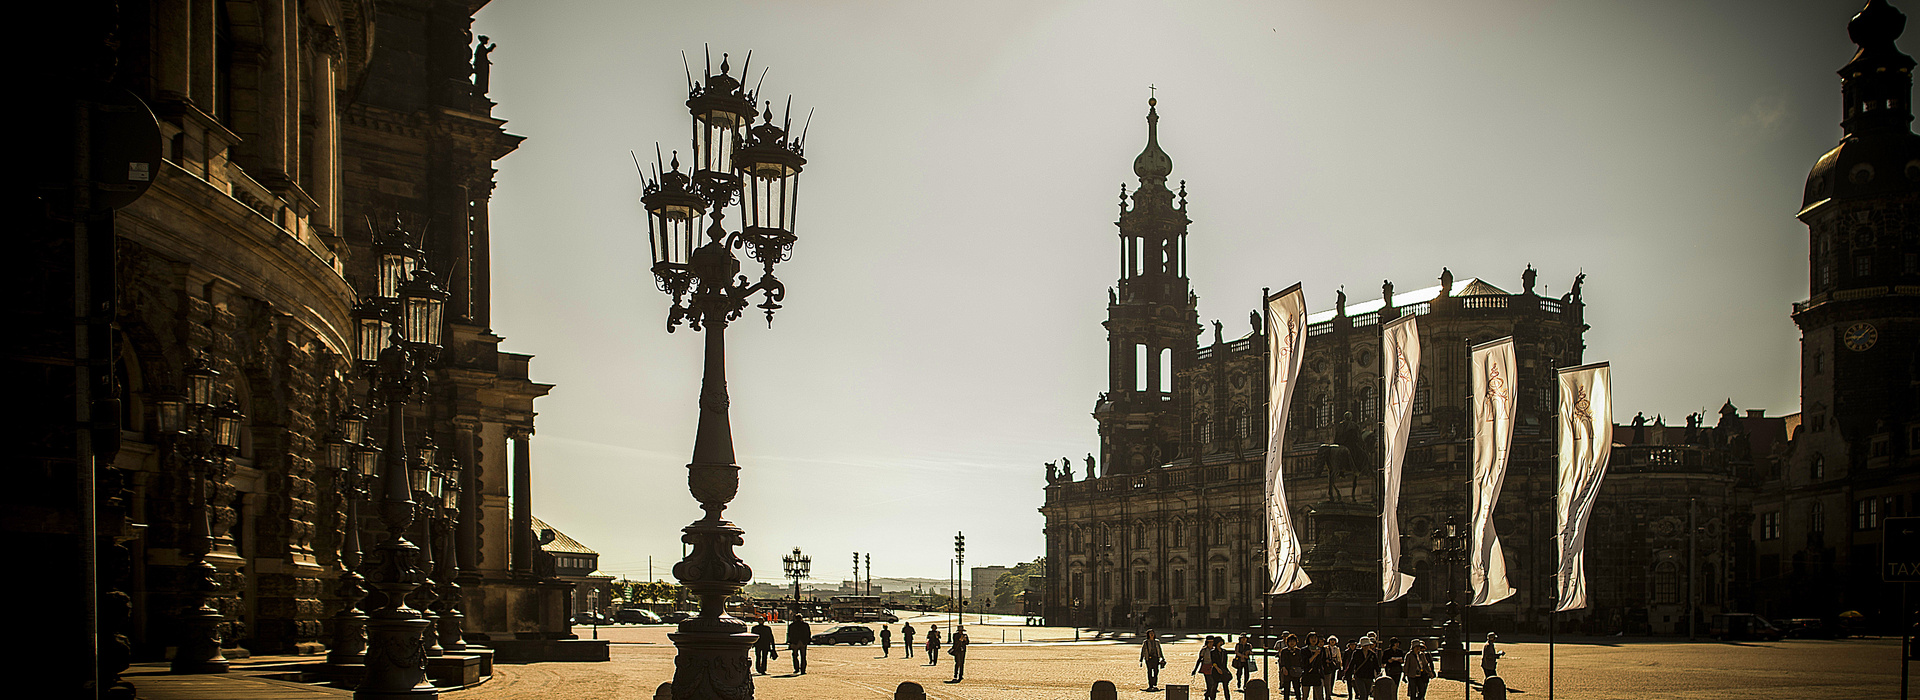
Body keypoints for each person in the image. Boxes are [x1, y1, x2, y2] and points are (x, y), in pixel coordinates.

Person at [1192, 635, 1234, 700]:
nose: (1211, 644)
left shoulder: (1223, 651)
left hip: (1219, 669)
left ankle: (1211, 695)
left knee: (1219, 686)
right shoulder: (1206, 650)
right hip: (1209, 668)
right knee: (1211, 684)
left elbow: (1225, 663)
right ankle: (1208, 695)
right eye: (1209, 642)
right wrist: (1195, 670)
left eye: (1212, 642)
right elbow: (1200, 659)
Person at [1301, 633, 1326, 700]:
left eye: (1315, 637)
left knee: (1319, 696)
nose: (1313, 639)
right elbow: (1305, 662)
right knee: (1305, 696)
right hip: (1307, 674)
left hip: (1317, 674)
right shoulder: (1304, 650)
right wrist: (1315, 655)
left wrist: (1322, 675)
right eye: (1312, 638)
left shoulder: (1320, 650)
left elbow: (1321, 663)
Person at [1278, 633, 1303, 700]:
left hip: (1296, 671)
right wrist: (1283, 668)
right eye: (1290, 641)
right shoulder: (1284, 651)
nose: (1292, 643)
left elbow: (1301, 661)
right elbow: (1281, 660)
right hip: (1287, 671)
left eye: (1293, 641)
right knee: (1286, 689)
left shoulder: (1299, 651)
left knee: (1297, 688)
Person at [1321, 635, 1341, 700]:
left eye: (1334, 640)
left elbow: (1339, 656)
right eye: (1331, 640)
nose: (1332, 642)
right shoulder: (1326, 648)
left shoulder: (1337, 648)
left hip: (1333, 664)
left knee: (1332, 678)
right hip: (1327, 664)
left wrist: (1340, 664)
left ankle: (1330, 691)